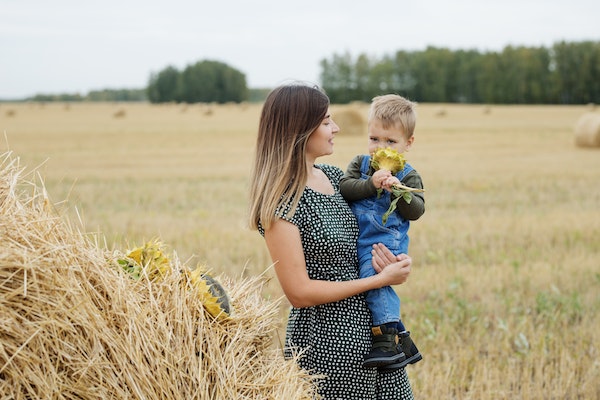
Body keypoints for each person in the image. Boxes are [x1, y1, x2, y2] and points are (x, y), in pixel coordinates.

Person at [248, 83, 415, 399]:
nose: (336, 128)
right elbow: (299, 293)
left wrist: (394, 260)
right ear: (300, 129)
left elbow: (373, 230)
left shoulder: (336, 176)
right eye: (326, 121)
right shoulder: (281, 205)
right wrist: (377, 280)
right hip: (329, 344)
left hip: (377, 331)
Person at [340, 94, 425, 370]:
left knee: (374, 278)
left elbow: (418, 210)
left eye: (391, 142)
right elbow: (345, 189)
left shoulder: (409, 175)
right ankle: (403, 340)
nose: (380, 147)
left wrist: (399, 190)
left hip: (388, 241)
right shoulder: (360, 165)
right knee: (371, 281)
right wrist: (371, 184)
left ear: (408, 143)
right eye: (375, 139)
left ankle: (385, 338)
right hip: (363, 239)